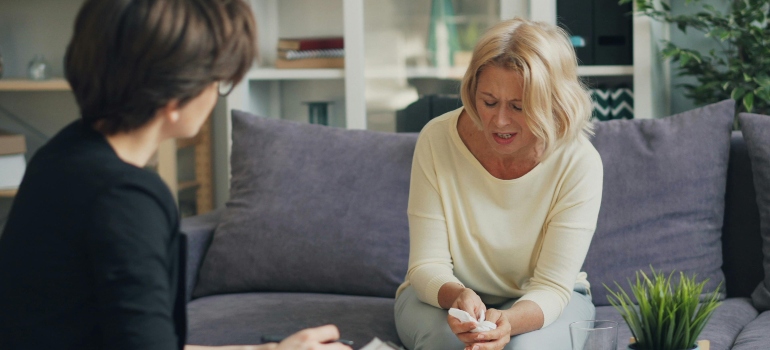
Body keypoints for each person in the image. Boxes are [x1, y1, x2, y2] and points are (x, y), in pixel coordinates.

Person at [0, 1, 350, 350]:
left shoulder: (60, 153)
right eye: (216, 81)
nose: (215, 93)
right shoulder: (127, 198)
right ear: (174, 98)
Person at [394, 17, 604, 350]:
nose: (500, 121)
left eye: (519, 107)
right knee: (450, 344)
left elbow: (552, 287)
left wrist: (506, 324)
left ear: (553, 102)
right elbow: (425, 266)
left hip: (545, 302)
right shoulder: (437, 139)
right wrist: (461, 296)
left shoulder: (579, 162)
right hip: (446, 296)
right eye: (489, 102)